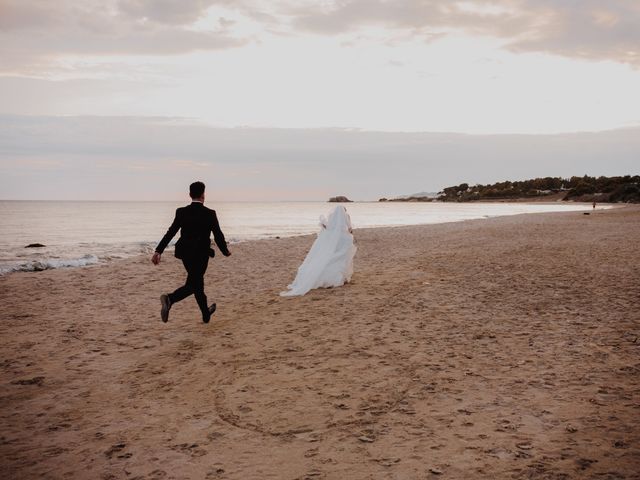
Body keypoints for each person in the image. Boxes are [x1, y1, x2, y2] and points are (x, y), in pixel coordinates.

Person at [151, 181, 231, 323]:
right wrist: (225, 251)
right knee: (194, 284)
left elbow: (171, 232)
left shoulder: (181, 212)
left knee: (197, 283)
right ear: (203, 195)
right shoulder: (210, 214)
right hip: (201, 255)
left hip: (185, 254)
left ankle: (206, 314)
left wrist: (159, 250)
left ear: (190, 195)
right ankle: (169, 299)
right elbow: (218, 235)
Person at [281, 205, 356, 297]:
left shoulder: (332, 217)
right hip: (343, 239)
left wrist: (324, 226)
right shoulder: (347, 216)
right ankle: (341, 277)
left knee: (333, 257)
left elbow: (329, 228)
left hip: (334, 240)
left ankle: (331, 277)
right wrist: (349, 236)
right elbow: (350, 229)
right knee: (340, 258)